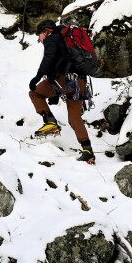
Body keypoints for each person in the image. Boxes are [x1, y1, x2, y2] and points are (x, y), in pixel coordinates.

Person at [28, 19, 95, 164]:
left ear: (46, 31)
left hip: (65, 79)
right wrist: (56, 93)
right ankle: (88, 151)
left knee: (35, 93)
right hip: (80, 82)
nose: (39, 39)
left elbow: (49, 58)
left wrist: (37, 77)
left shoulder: (51, 39)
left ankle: (50, 123)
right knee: (74, 117)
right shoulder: (64, 38)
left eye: (39, 35)